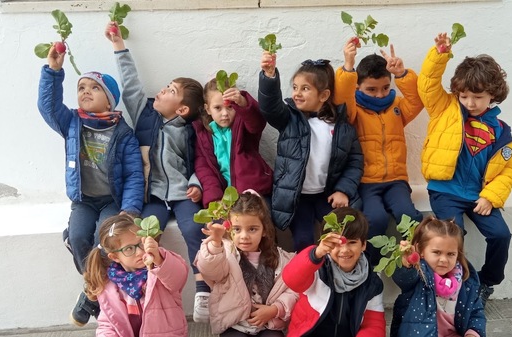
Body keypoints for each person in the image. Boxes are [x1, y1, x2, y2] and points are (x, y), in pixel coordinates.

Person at [105, 21, 211, 322]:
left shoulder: (191, 131)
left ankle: (203, 287)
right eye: (166, 86)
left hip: (181, 194)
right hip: (152, 195)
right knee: (145, 232)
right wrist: (118, 46)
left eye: (171, 91)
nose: (162, 90)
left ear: (182, 110)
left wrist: (195, 184)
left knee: (193, 228)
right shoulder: (144, 114)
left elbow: (201, 162)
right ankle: (137, 287)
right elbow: (131, 85)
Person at [37, 44, 144, 327]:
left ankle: (91, 296)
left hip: (111, 200)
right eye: (81, 87)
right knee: (78, 236)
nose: (84, 91)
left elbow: (134, 175)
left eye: (93, 88)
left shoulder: (123, 134)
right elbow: (47, 107)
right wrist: (53, 71)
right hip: (83, 199)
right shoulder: (73, 123)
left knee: (103, 241)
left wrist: (131, 209)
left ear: (109, 100)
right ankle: (94, 285)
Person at [418, 32, 512, 306]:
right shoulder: (445, 108)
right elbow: (426, 84)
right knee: (454, 236)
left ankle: (486, 282)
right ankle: (459, 285)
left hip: (479, 195)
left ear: (493, 95)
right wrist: (440, 54)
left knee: (501, 234)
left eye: (478, 96)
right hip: (445, 190)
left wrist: (490, 197)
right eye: (465, 96)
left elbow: (508, 171)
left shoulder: (501, 131)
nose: (470, 103)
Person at [259, 51, 364, 252]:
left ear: (324, 95)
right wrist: (269, 77)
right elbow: (270, 107)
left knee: (339, 236)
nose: (297, 93)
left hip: (327, 195)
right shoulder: (289, 119)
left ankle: (332, 277)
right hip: (297, 198)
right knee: (303, 240)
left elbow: (355, 161)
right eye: (295, 87)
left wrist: (343, 190)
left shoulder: (341, 127)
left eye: (305, 88)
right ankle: (308, 280)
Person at [334, 39, 425, 266]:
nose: (379, 94)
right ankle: (370, 268)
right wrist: (348, 66)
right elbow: (341, 99)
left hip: (396, 181)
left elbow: (417, 101)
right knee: (375, 219)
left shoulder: (396, 107)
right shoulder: (354, 111)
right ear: (358, 87)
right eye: (371, 89)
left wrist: (402, 74)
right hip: (367, 182)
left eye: (385, 88)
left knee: (411, 218)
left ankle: (412, 266)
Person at [195, 191, 298, 336]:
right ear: (229, 229)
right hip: (234, 324)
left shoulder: (280, 259)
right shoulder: (224, 254)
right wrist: (215, 244)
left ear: (264, 230)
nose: (244, 236)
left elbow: (292, 291)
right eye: (237, 229)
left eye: (252, 229)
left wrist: (275, 309)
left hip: (268, 323)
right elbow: (210, 270)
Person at [282, 207, 385, 337]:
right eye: (337, 243)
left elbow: (373, 324)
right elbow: (291, 280)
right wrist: (316, 254)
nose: (344, 250)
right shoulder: (316, 268)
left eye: (352, 242)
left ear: (363, 244)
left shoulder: (372, 283)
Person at [84, 214, 189, 336]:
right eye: (129, 249)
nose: (139, 252)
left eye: (141, 243)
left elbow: (178, 278)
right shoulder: (110, 285)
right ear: (114, 257)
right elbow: (107, 323)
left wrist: (160, 258)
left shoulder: (159, 268)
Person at [390, 217, 486, 337]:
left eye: (451, 254)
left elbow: (476, 313)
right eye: (437, 252)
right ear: (421, 250)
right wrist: (406, 264)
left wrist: (472, 333)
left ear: (458, 254)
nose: (443, 260)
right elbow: (403, 279)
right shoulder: (418, 274)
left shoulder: (466, 282)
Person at [193, 78, 273, 207]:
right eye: (218, 108)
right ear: (207, 109)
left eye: (230, 107)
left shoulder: (242, 123)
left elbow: (257, 123)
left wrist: (243, 102)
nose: (225, 113)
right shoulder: (203, 135)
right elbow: (204, 169)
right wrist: (215, 198)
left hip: (253, 192)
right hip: (225, 197)